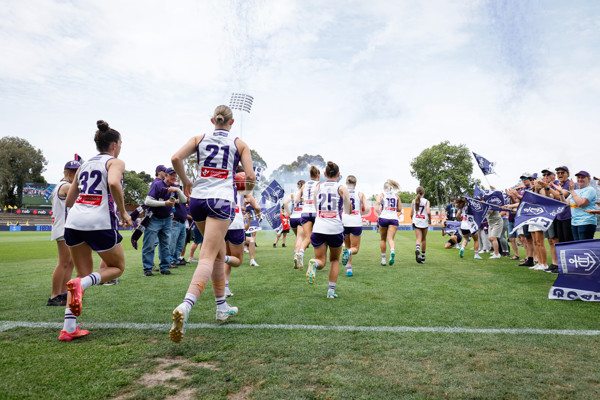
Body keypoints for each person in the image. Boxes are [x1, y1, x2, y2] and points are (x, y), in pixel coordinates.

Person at [169, 105, 255, 343]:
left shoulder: (199, 138)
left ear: (212, 120)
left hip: (197, 199)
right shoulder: (240, 144)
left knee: (218, 254)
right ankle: (186, 306)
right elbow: (250, 177)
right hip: (221, 199)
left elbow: (176, 158)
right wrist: (246, 193)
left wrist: (186, 180)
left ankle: (221, 307)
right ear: (231, 122)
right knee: (208, 256)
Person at [58, 120, 133, 342]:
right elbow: (113, 184)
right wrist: (123, 212)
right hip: (98, 222)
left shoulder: (83, 165)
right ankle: (82, 286)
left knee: (81, 276)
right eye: (120, 143)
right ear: (114, 145)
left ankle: (68, 328)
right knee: (117, 267)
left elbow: (69, 200)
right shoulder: (115, 162)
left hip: (74, 223)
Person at [306, 161, 351, 298]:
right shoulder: (342, 188)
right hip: (335, 229)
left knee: (321, 261)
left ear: (325, 174)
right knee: (334, 260)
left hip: (319, 227)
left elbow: (315, 207)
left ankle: (314, 263)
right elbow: (348, 210)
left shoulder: (318, 186)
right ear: (338, 174)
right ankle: (331, 291)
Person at [47, 159, 81, 306]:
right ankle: (54, 295)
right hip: (63, 228)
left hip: (65, 227)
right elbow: (79, 194)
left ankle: (62, 293)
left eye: (77, 171)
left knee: (69, 262)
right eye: (73, 171)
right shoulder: (66, 185)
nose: (75, 174)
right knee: (64, 262)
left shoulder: (62, 185)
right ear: (66, 172)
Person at [141, 167, 185, 276]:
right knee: (149, 244)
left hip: (167, 219)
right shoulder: (157, 184)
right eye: (172, 175)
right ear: (166, 175)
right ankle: (147, 269)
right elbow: (147, 201)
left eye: (175, 176)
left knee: (166, 245)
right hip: (153, 218)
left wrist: (178, 190)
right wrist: (165, 203)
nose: (174, 178)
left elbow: (184, 200)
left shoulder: (175, 187)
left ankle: (165, 267)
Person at [224, 181, 261, 297]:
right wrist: (258, 212)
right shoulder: (241, 186)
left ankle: (225, 287)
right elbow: (256, 206)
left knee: (228, 259)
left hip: (222, 222)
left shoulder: (223, 183)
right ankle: (219, 258)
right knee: (237, 261)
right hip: (236, 224)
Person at [341, 175, 367, 277]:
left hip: (344, 221)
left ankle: (349, 270)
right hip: (356, 221)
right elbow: (367, 209)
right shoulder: (360, 194)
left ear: (346, 183)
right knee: (354, 249)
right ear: (355, 184)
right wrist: (360, 214)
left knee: (347, 246)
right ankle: (348, 253)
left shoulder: (342, 192)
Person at [295, 167, 321, 269]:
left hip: (305, 212)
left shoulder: (304, 186)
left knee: (308, 238)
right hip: (316, 213)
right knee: (318, 238)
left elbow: (297, 200)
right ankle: (317, 259)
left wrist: (305, 200)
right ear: (318, 175)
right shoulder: (319, 184)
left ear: (310, 176)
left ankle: (300, 254)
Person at [566, 171, 597, 240]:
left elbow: (581, 203)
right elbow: (565, 204)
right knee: (578, 248)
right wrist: (560, 193)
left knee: (585, 248)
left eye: (583, 177)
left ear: (588, 179)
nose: (580, 179)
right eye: (578, 177)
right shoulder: (575, 191)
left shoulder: (590, 190)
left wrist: (572, 191)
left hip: (586, 222)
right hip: (574, 223)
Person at [375, 180, 400, 266]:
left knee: (383, 239)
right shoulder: (397, 196)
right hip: (394, 218)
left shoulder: (381, 195)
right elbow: (399, 209)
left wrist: (378, 214)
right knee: (390, 239)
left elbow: (376, 207)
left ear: (384, 188)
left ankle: (383, 259)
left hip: (384, 217)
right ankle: (392, 251)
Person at [283, 180, 305, 269]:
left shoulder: (292, 195)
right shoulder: (306, 195)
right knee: (300, 238)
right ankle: (298, 255)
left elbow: (284, 203)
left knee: (298, 238)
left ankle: (295, 255)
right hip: (301, 217)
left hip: (293, 218)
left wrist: (289, 213)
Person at [168, 175, 188, 269]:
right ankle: (170, 260)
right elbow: (170, 201)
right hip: (175, 221)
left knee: (180, 243)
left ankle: (175, 259)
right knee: (172, 242)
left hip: (182, 221)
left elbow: (186, 200)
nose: (176, 187)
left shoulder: (181, 194)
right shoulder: (173, 192)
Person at [411, 186, 431, 264]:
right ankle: (423, 257)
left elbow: (411, 213)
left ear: (417, 193)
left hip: (416, 221)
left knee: (418, 239)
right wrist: (430, 219)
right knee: (424, 239)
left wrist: (412, 220)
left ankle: (417, 248)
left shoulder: (413, 201)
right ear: (424, 193)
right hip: (424, 221)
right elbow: (428, 212)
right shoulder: (427, 201)